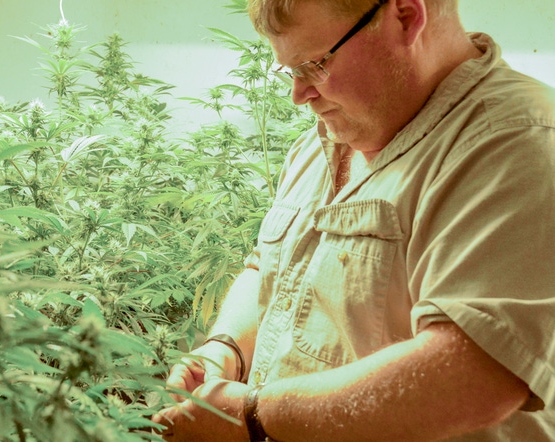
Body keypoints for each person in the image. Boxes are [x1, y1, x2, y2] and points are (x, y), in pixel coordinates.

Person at [152, 0, 555, 440]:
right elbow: (269, 267)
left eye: (313, 65)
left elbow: (474, 377)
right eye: (290, 71)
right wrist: (225, 349)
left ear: (405, 16)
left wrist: (251, 415)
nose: (299, 94)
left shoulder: (516, 141)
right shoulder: (325, 139)